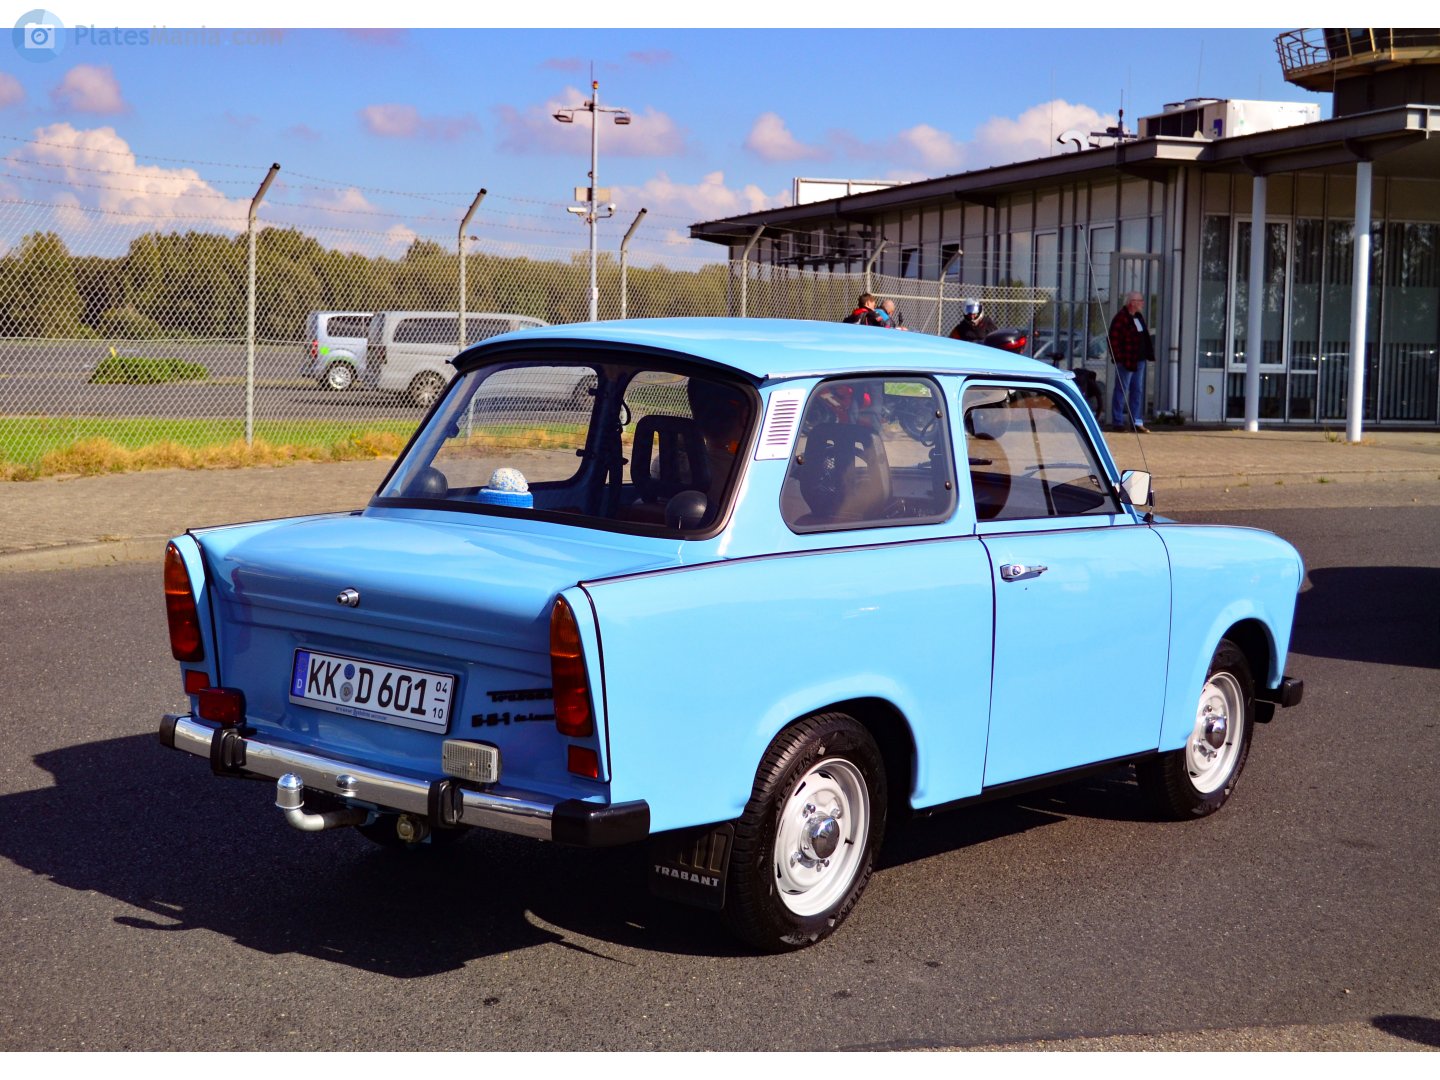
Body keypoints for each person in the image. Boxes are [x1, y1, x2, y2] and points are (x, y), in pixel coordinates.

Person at [1108, 291, 1155, 433]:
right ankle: (1118, 422)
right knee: (1122, 389)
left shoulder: (1139, 317)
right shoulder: (1121, 318)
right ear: (1132, 302)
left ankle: (1136, 421)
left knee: (1137, 390)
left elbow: (1144, 338)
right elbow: (1113, 339)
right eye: (1140, 300)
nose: (1142, 303)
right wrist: (1118, 357)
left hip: (1139, 360)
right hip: (1126, 360)